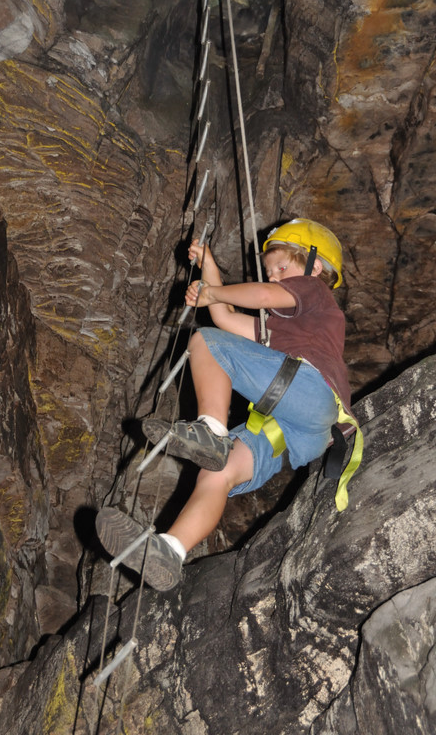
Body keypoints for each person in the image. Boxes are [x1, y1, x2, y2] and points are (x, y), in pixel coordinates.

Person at [96, 218, 353, 591]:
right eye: (270, 271)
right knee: (217, 473)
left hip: (307, 390)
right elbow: (225, 318)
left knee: (203, 341)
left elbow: (261, 298)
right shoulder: (284, 331)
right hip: (301, 433)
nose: (275, 277)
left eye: (283, 267)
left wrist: (214, 293)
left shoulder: (314, 292)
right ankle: (170, 550)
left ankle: (211, 431)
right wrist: (209, 266)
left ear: (315, 266)